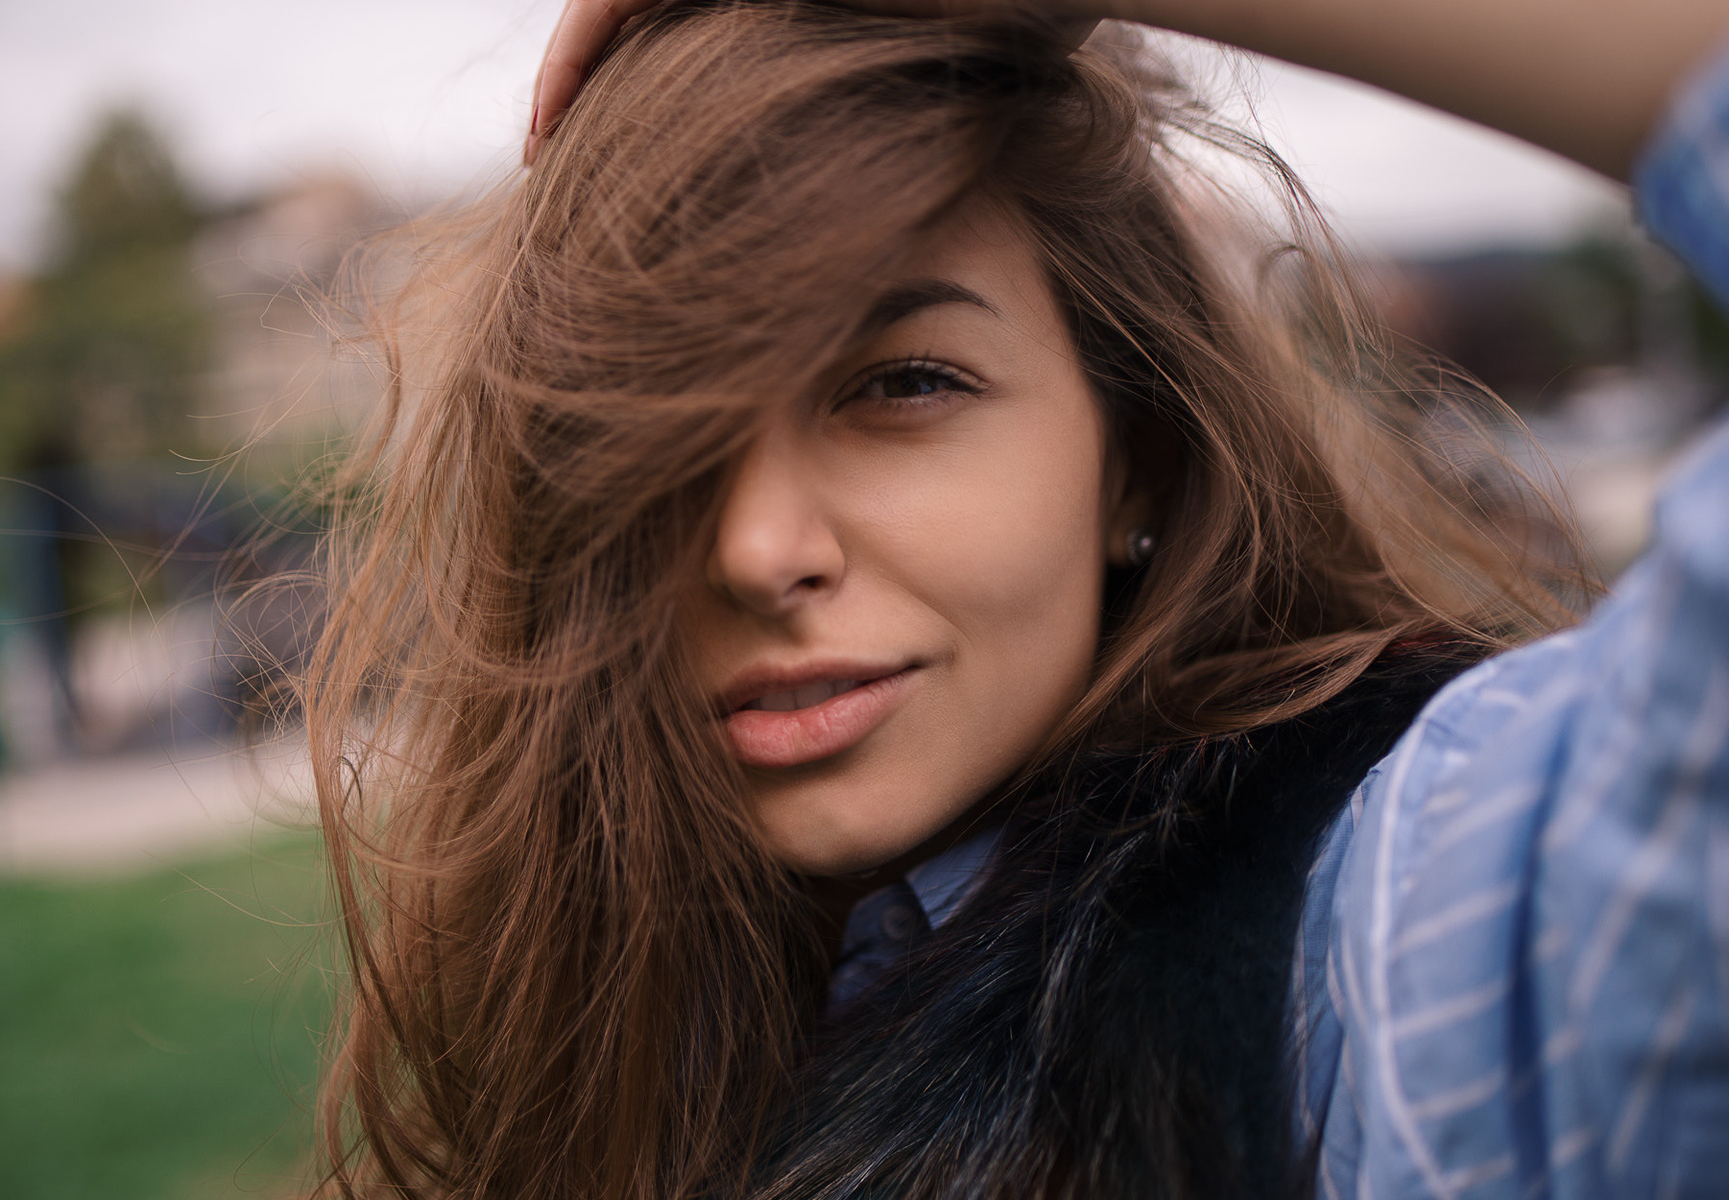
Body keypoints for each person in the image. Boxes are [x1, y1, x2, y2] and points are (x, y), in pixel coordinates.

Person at [303, 1, 1729, 1197]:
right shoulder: (625, 1005)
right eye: (654, 424)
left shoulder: (1381, 934)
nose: (752, 545)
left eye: (905, 384)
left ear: (1139, 460)